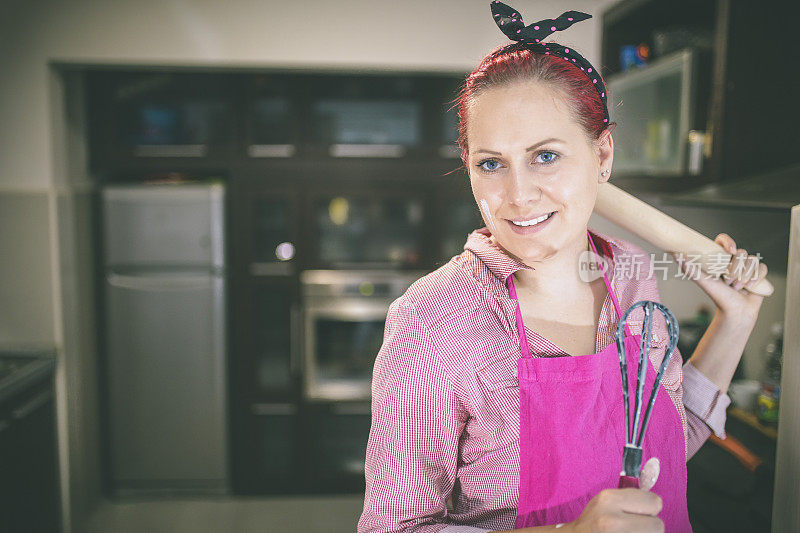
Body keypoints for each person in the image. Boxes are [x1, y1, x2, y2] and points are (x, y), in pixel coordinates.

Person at [357, 10, 769, 533]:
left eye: (546, 156)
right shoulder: (433, 320)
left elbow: (661, 448)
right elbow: (394, 527)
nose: (518, 194)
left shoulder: (633, 274)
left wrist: (735, 321)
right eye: (490, 163)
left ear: (602, 155)